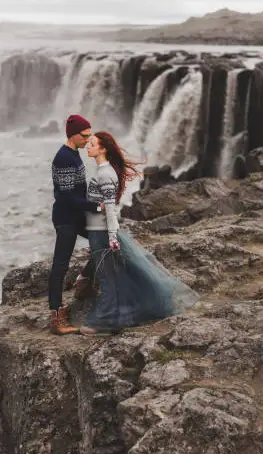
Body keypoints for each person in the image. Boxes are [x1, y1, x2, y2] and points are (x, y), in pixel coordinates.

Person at [79, 131, 199, 335]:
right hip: (97, 228)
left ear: (103, 149)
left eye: (92, 143)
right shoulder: (104, 171)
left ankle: (106, 322)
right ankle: (118, 314)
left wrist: (112, 237)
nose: (88, 146)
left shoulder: (105, 174)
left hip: (101, 229)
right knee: (117, 273)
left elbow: (110, 207)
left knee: (108, 277)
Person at [48, 114, 103, 335]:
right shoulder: (63, 157)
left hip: (78, 215)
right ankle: (56, 316)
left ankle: (84, 281)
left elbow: (78, 190)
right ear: (72, 135)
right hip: (66, 219)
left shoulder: (74, 154)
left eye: (90, 135)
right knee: (60, 267)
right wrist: (96, 206)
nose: (88, 140)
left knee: (104, 243)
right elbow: (67, 197)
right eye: (85, 136)